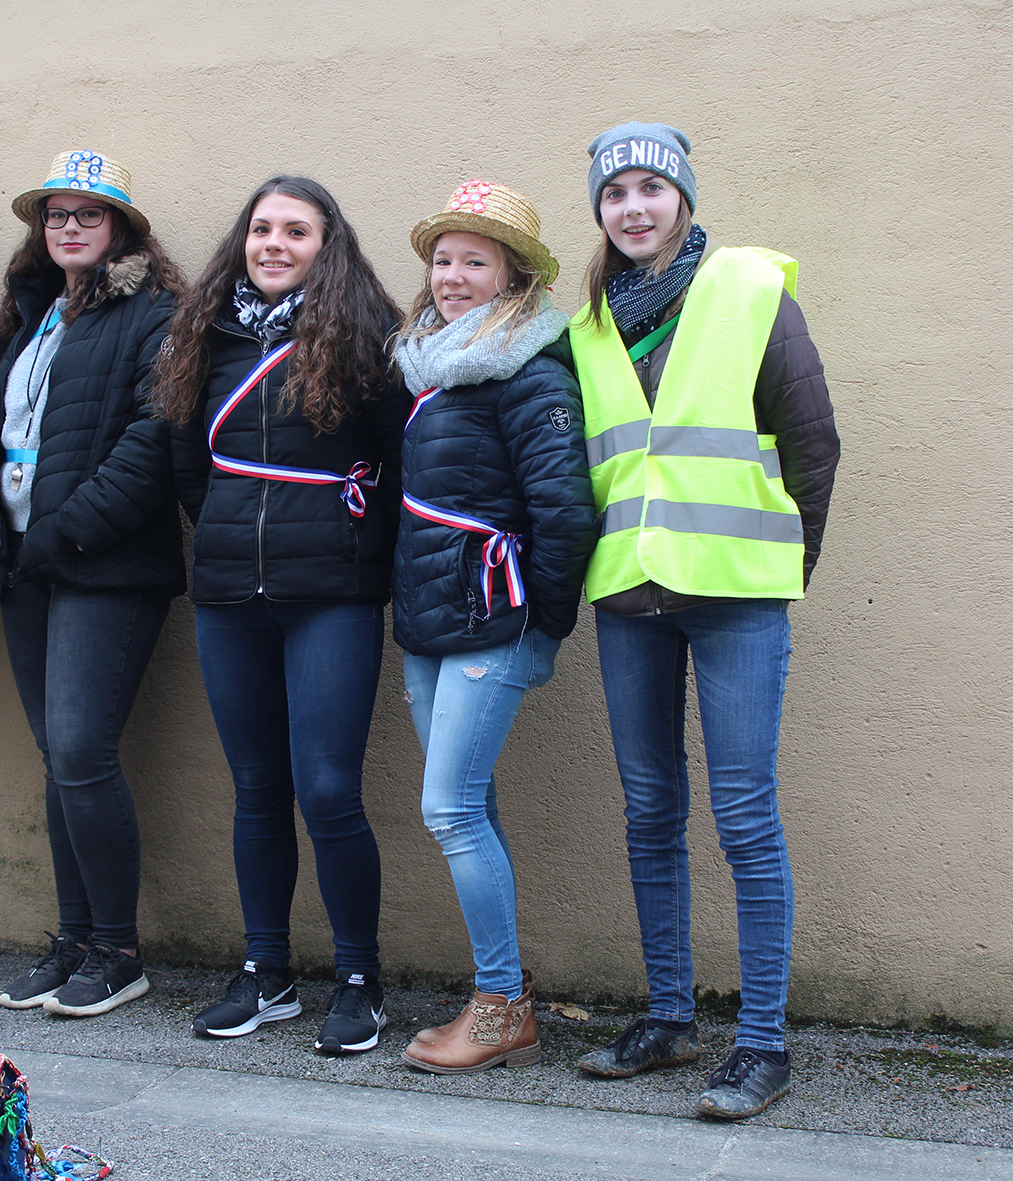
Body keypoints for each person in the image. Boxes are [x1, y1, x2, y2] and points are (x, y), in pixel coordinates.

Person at [567, 123, 839, 1119]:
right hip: (630, 594)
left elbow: (812, 441)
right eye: (614, 193)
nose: (632, 206)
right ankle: (669, 1017)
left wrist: (783, 562)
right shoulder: (589, 323)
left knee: (743, 813)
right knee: (648, 809)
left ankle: (761, 1042)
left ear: (682, 196)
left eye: (650, 187)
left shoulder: (748, 287)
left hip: (734, 595)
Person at [154, 176, 407, 1053]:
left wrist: (353, 546)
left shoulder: (367, 337)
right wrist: (230, 530)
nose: (273, 244)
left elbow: (404, 461)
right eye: (261, 228)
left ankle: (360, 979)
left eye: (296, 231)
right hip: (229, 595)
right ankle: (266, 970)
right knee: (257, 788)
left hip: (331, 596)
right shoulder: (205, 334)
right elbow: (187, 461)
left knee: (329, 790)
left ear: (327, 244)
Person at [0, 151, 185, 1018]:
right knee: (60, 759)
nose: (70, 227)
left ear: (120, 228)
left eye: (90, 214)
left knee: (84, 751)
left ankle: (118, 952)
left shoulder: (153, 311)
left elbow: (151, 442)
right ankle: (75, 939)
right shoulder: (31, 313)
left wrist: (65, 530)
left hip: (103, 563)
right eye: (56, 214)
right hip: (28, 565)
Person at [389, 181, 596, 1074]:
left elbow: (565, 514)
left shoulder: (530, 369)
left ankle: (501, 1004)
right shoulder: (429, 366)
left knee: (449, 808)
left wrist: (541, 631)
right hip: (429, 622)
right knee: (471, 804)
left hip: (492, 621)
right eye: (443, 259)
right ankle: (502, 1000)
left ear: (514, 277)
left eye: (475, 260)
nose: (452, 276)